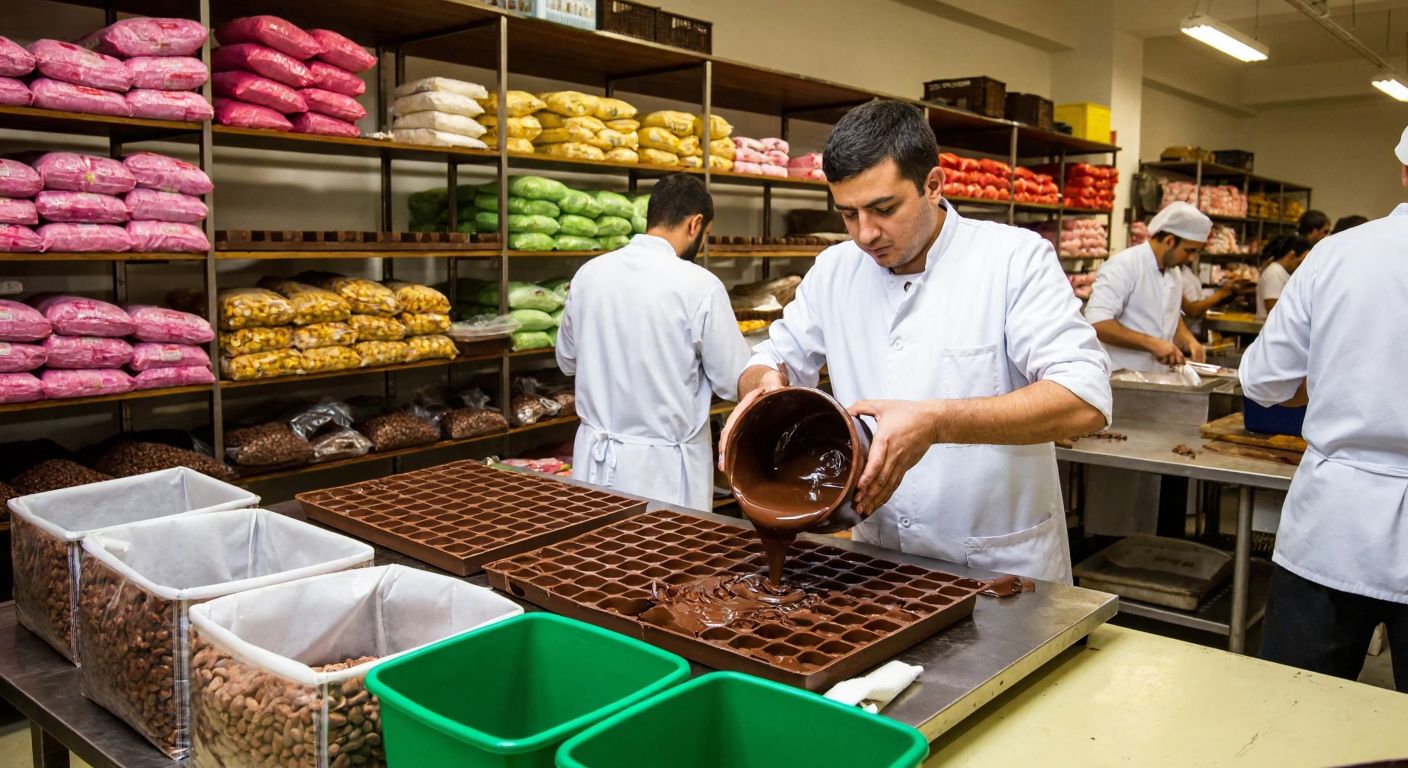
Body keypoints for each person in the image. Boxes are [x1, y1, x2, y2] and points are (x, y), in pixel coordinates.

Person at [719, 100, 1111, 584]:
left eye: (884, 209)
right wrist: (761, 389)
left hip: (996, 564)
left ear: (933, 185)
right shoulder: (836, 269)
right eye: (848, 214)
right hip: (877, 561)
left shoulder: (1013, 260)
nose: (865, 234)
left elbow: (1084, 399)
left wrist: (936, 422)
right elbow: (771, 357)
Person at [1238, 127, 1408, 691]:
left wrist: (1332, 383)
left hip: (1334, 527)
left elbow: (1264, 382)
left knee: (1294, 716)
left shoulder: (1337, 254)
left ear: (1403, 171)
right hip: (1334, 523)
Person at [556, 173, 750, 511]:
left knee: (597, 559)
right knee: (664, 561)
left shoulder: (589, 274)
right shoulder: (700, 286)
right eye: (705, 235)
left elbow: (567, 360)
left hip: (595, 464)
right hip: (664, 474)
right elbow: (732, 381)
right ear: (695, 224)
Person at [1083, 202, 1212, 372]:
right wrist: (1152, 344)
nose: (1191, 258)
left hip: (1154, 379)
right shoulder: (1124, 265)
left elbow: (1169, 312)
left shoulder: (1173, 272)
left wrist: (1187, 338)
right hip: (1118, 380)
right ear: (1169, 241)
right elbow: (1097, 322)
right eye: (1189, 251)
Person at [1255, 234, 1311, 319]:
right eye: (1300, 262)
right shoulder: (1275, 273)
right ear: (1292, 255)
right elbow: (1272, 308)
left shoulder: (1283, 273)